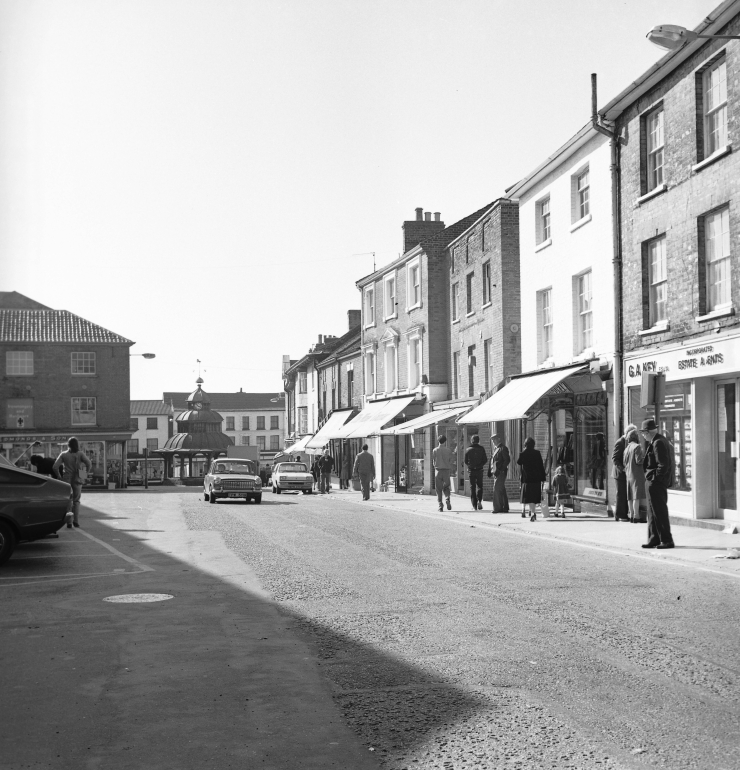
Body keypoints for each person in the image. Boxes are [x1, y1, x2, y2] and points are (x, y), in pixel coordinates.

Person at [641, 419, 675, 549]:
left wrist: (655, 479)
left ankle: (666, 540)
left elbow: (663, 465)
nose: (643, 435)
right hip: (652, 482)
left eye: (643, 432)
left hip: (656, 483)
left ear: (648, 432)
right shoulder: (656, 441)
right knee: (651, 511)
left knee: (659, 511)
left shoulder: (658, 442)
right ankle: (654, 538)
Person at [52, 437, 92, 529]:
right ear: (77, 444)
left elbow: (55, 467)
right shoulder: (80, 454)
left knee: (69, 501)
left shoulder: (64, 454)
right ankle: (76, 521)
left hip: (67, 479)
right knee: (76, 501)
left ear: (68, 445)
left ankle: (69, 522)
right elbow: (89, 463)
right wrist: (84, 474)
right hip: (78, 478)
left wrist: (59, 476)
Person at [517, 436, 546, 521]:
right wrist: (543, 478)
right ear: (533, 444)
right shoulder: (537, 453)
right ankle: (533, 513)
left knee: (527, 497)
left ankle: (526, 511)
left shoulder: (523, 454)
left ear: (525, 444)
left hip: (527, 479)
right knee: (533, 497)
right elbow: (541, 466)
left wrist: (524, 450)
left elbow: (518, 462)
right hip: (536, 479)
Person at [623, 427, 647, 524]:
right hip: (637, 474)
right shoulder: (637, 447)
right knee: (636, 496)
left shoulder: (626, 449)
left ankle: (631, 515)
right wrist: (646, 458)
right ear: (636, 437)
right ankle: (637, 516)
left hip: (628, 475)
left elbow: (624, 462)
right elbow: (639, 460)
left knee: (630, 496)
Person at [611, 425, 633, 522]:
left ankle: (622, 514)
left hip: (626, 473)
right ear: (628, 433)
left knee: (625, 493)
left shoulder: (628, 442)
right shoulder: (620, 442)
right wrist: (622, 469)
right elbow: (614, 459)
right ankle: (620, 515)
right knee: (621, 494)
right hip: (619, 474)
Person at [464, 435, 488, 510]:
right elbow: (485, 460)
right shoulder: (481, 449)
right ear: (478, 440)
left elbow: (465, 461)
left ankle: (474, 505)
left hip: (471, 470)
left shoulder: (468, 449)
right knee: (480, 486)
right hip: (479, 470)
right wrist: (480, 465)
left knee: (472, 487)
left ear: (472, 441)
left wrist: (470, 466)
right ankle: (479, 501)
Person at [487, 435, 510, 513]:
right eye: (492, 440)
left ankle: (497, 508)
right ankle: (504, 507)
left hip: (500, 472)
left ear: (498, 439)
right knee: (501, 490)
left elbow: (507, 460)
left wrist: (501, 469)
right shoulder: (496, 449)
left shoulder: (503, 448)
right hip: (496, 472)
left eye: (494, 439)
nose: (493, 441)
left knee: (496, 489)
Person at [432, 434, 454, 512]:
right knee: (446, 487)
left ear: (438, 441)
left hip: (438, 471)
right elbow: (451, 461)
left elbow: (433, 462)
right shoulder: (448, 450)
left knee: (438, 489)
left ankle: (440, 505)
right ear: (445, 441)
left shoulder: (435, 450)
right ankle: (447, 498)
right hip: (446, 471)